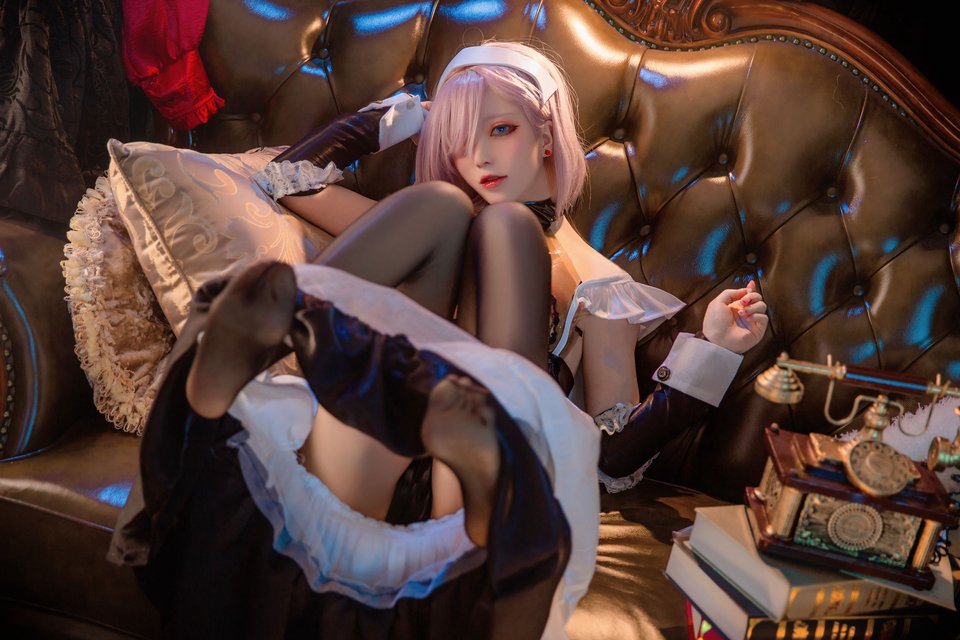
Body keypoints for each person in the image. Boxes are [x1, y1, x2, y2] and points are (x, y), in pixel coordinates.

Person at [255, 41, 769, 494]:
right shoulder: (432, 220)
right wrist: (401, 117)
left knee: (501, 228)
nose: (479, 156)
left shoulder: (600, 289)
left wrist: (713, 351)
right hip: (372, 442)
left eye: (501, 129)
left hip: (479, 477)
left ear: (546, 135)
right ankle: (243, 368)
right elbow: (286, 179)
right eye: (458, 141)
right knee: (442, 207)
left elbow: (613, 458)